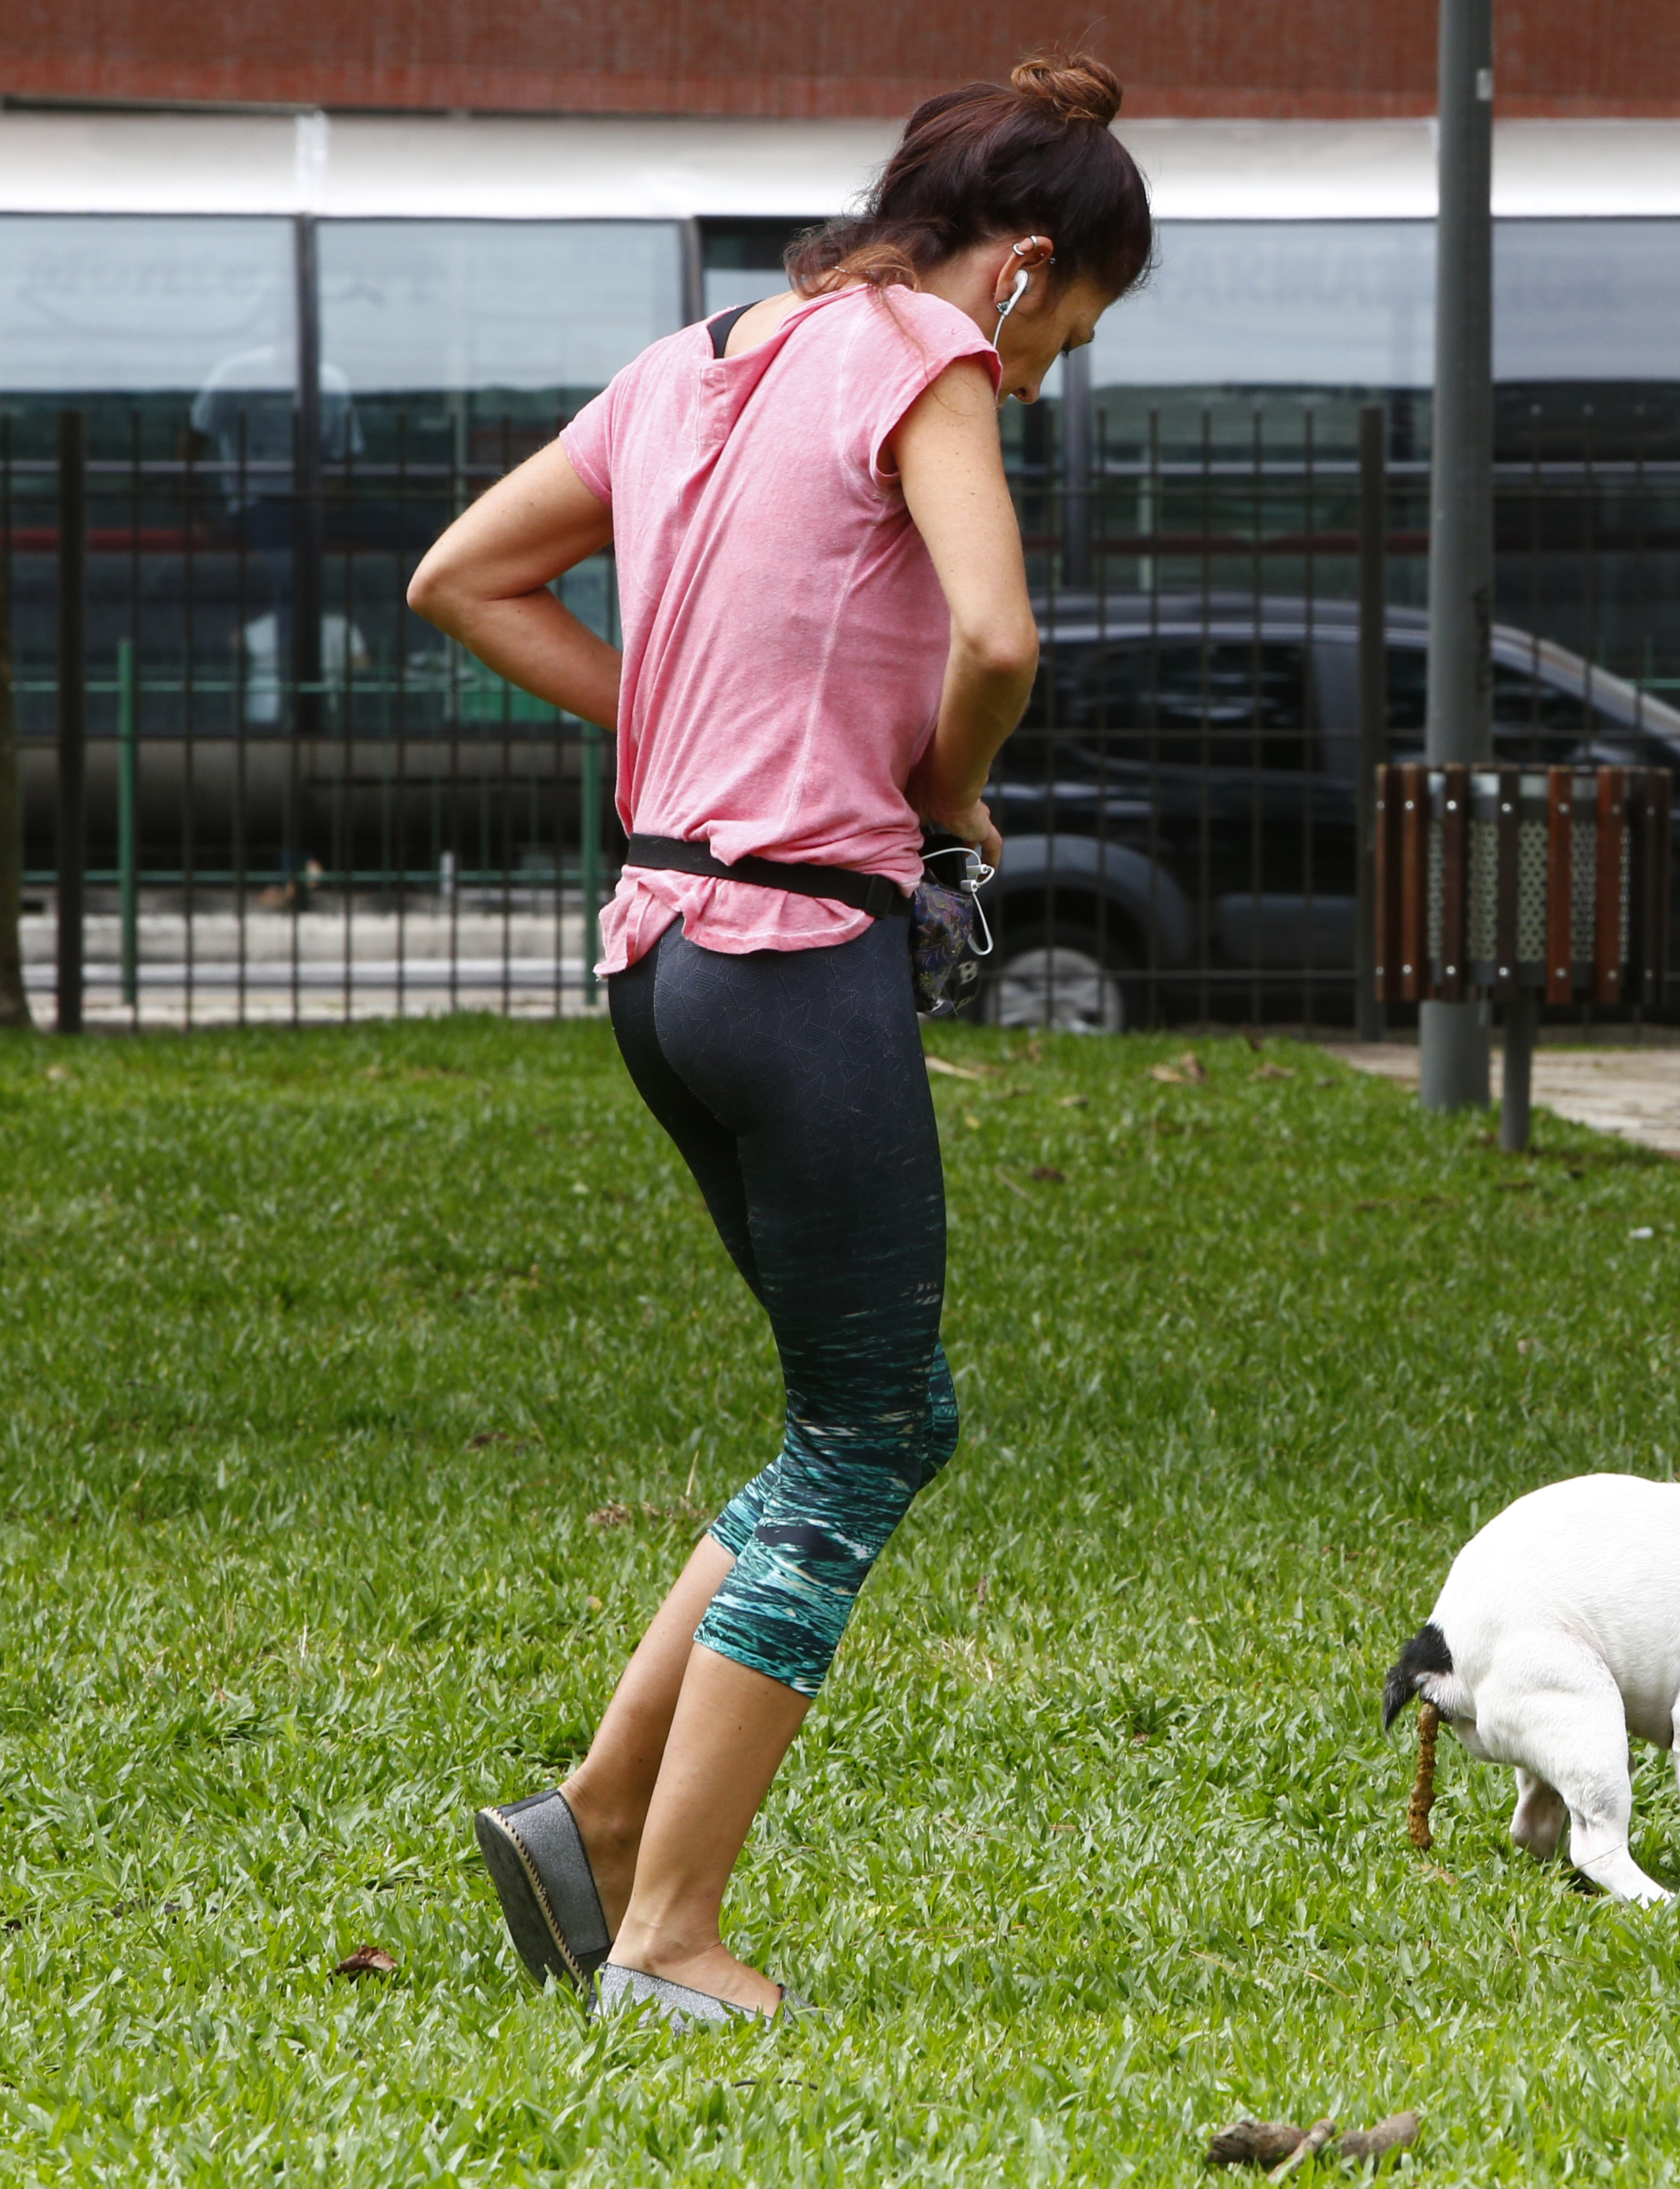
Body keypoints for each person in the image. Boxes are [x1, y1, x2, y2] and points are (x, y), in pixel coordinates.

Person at [407, 53, 1151, 2024]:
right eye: (1072, 329)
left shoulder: (698, 361)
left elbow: (462, 577)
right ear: (1019, 269)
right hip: (800, 952)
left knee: (878, 1417)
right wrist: (943, 800)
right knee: (855, 1439)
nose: (1052, 370)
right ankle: (665, 1936)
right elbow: (994, 640)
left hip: (658, 954)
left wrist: (670, 741)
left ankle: (582, 1830)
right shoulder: (928, 358)